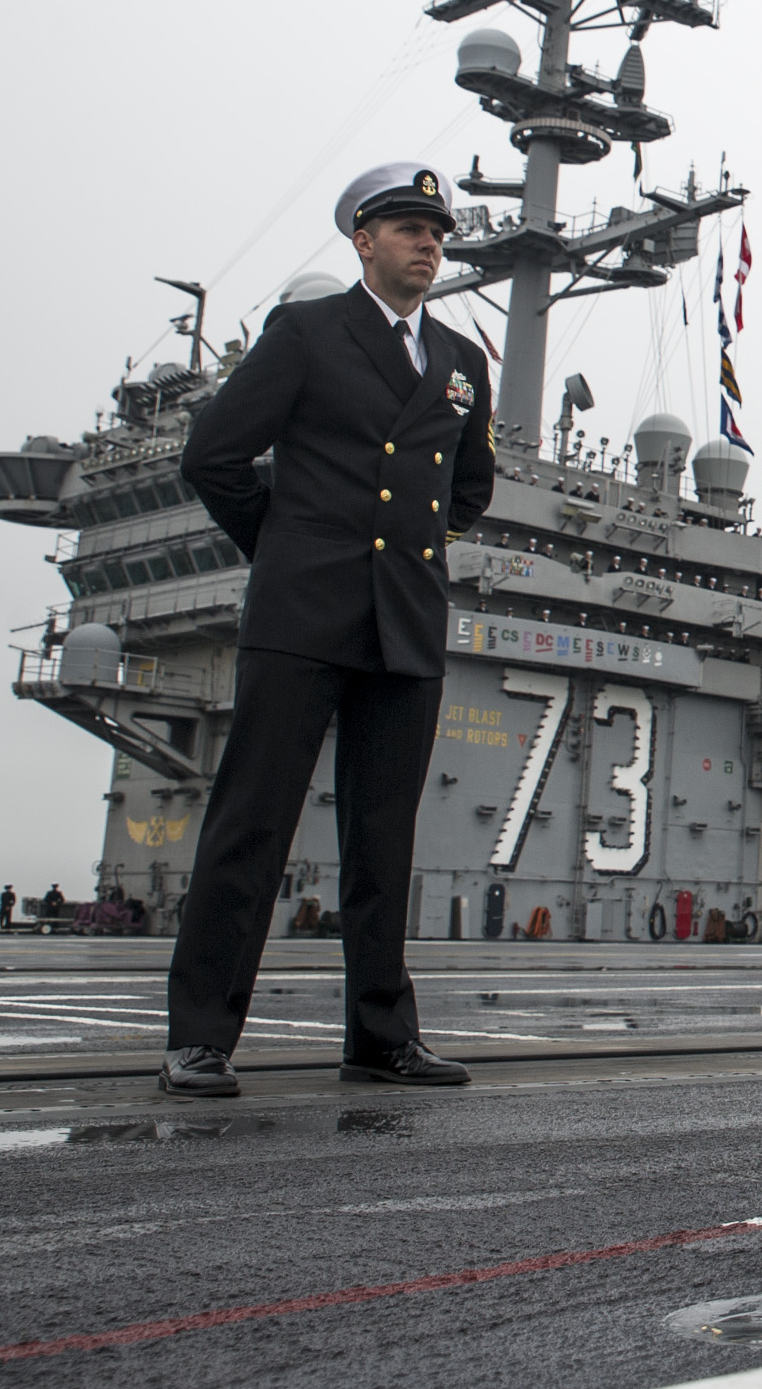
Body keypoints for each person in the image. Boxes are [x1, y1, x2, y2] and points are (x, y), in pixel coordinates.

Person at [163, 161, 496, 1100]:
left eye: (436, 231)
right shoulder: (307, 332)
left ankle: (382, 1037)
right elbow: (213, 453)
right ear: (363, 241)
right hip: (302, 612)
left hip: (405, 620)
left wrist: (405, 550)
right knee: (250, 826)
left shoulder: (462, 364)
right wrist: (286, 541)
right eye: (406, 228)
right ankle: (199, 1039)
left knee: (384, 838)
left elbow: (468, 489)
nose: (428, 242)